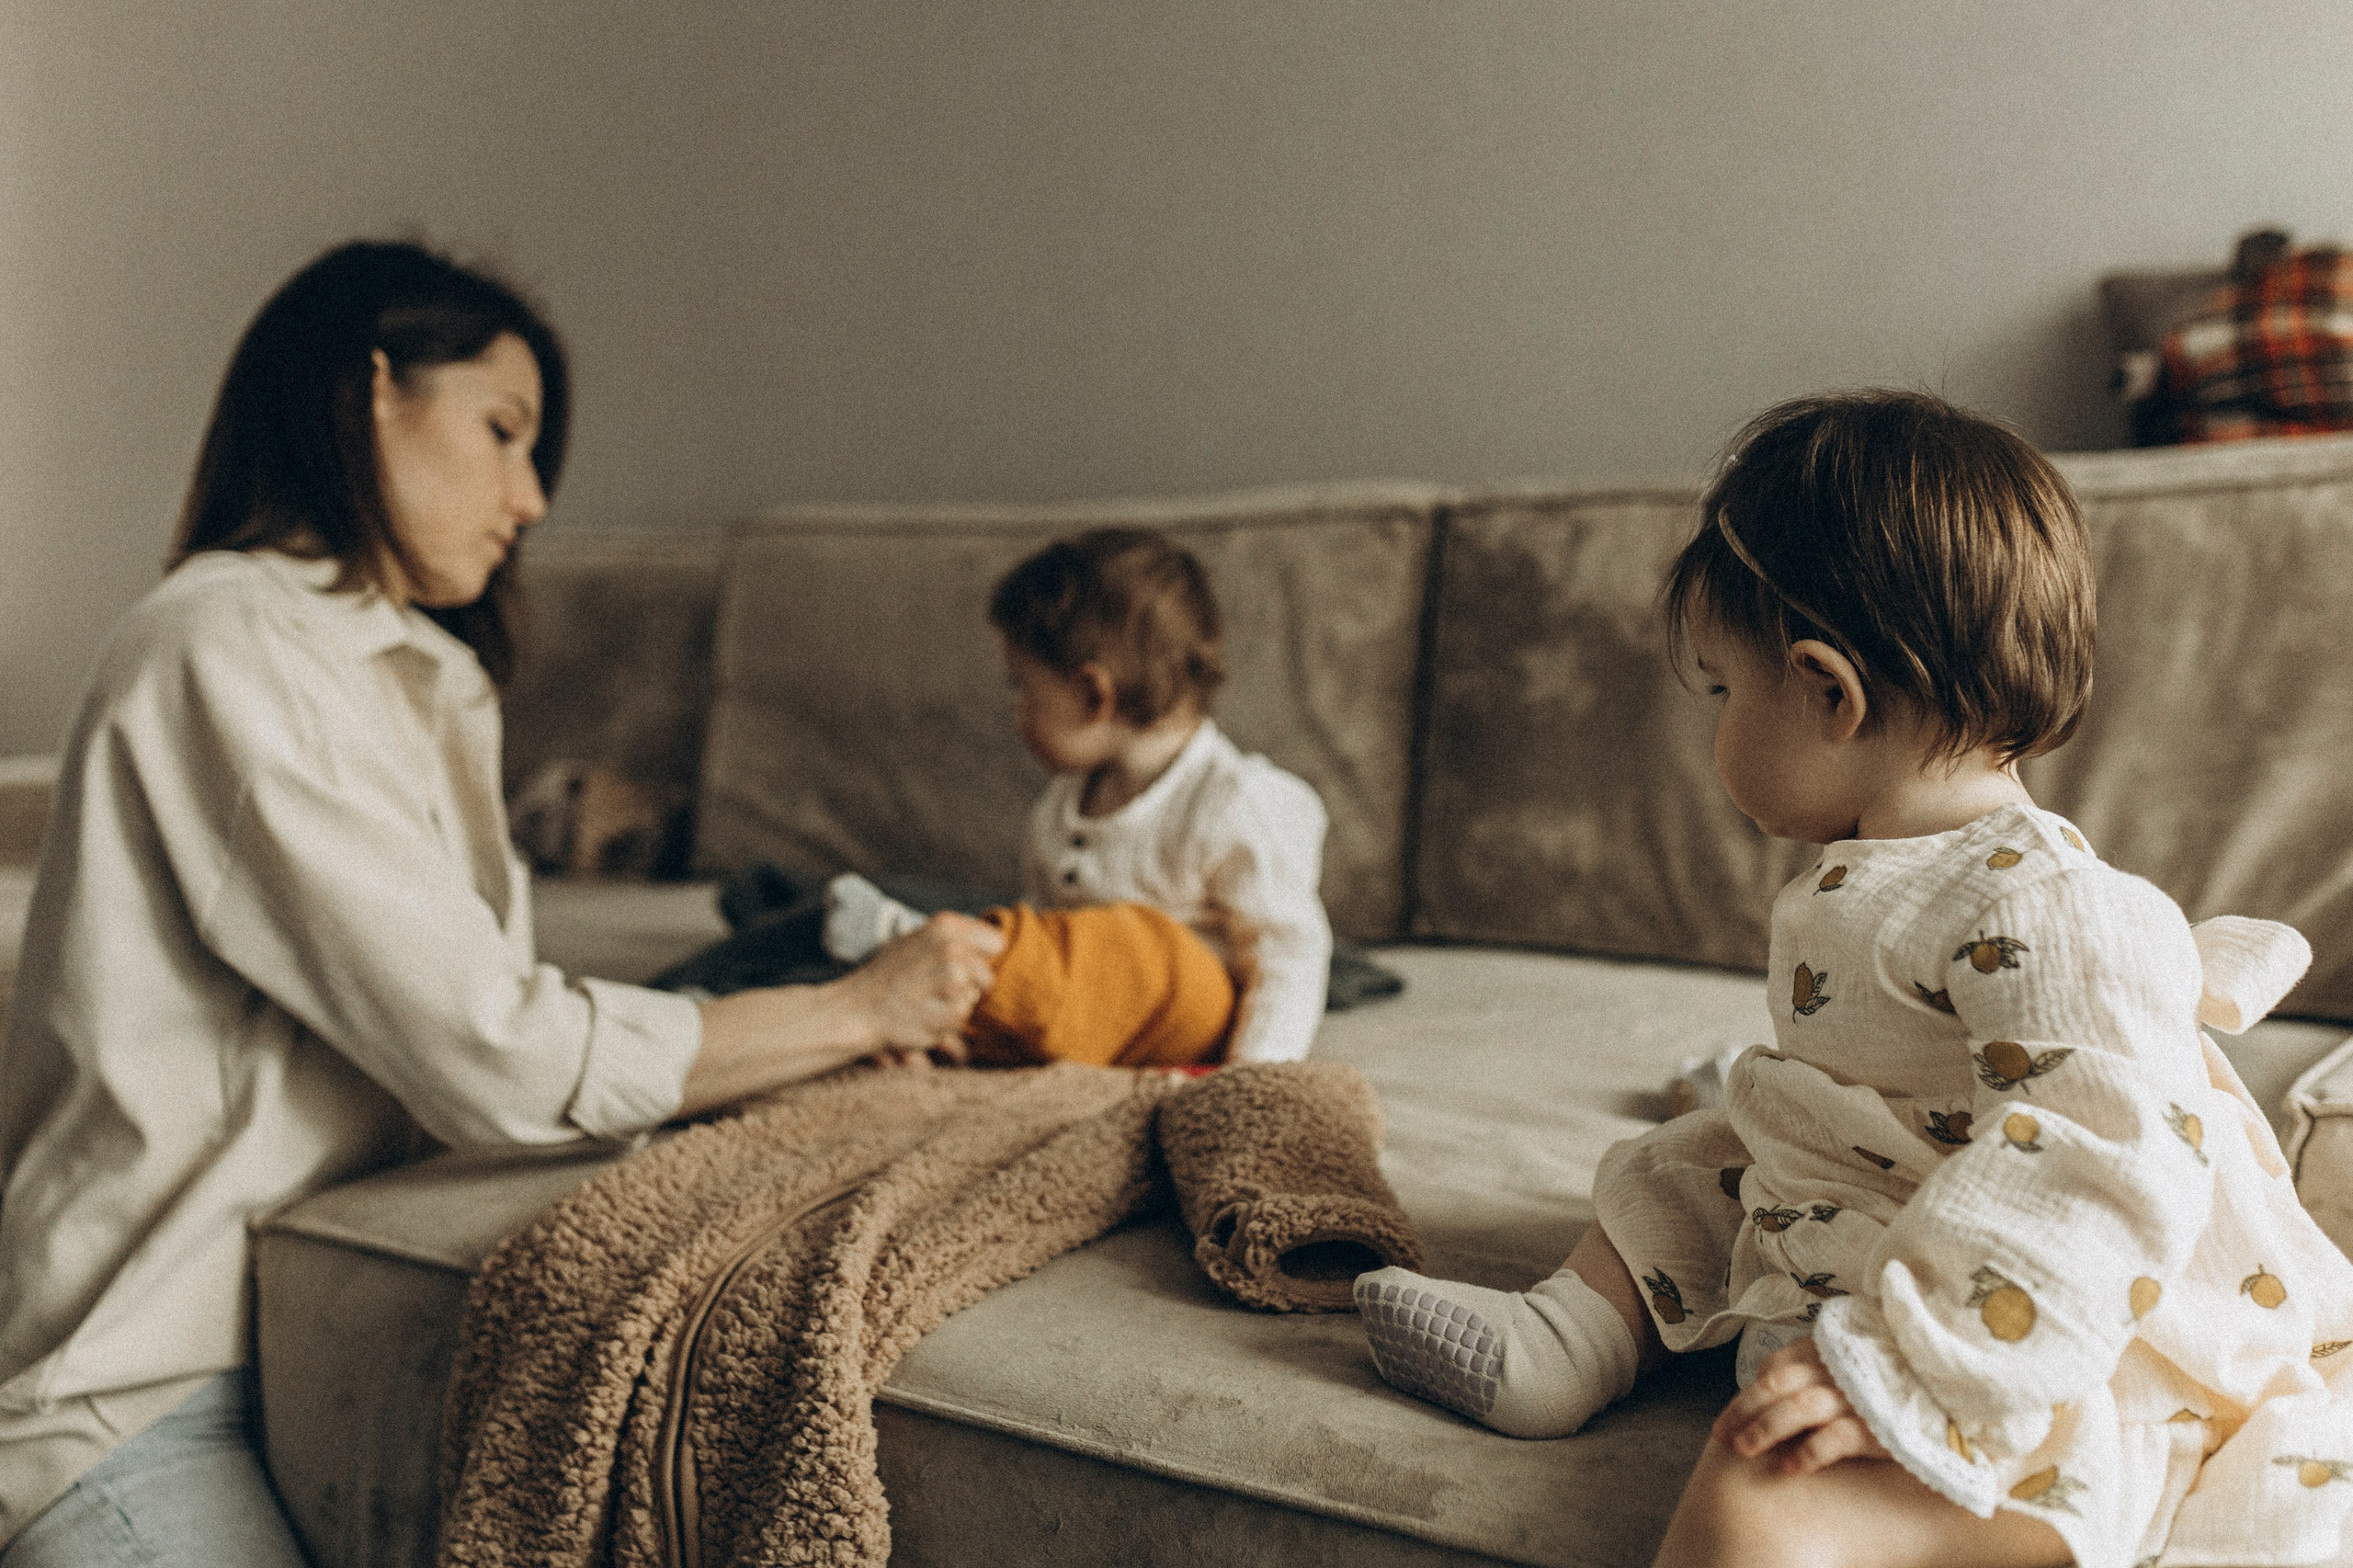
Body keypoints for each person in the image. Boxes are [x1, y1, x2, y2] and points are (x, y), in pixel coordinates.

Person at [0, 240, 1003, 1565]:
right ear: (370, 392)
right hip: (133, 1388)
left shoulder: (410, 672)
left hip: (281, 1353)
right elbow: (491, 1049)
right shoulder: (224, 642)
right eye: (504, 431)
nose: (530, 498)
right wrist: (845, 1006)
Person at [1353, 392, 2353, 1568]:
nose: (1715, 723)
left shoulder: (2051, 903)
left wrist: (1903, 1372)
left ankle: (1851, 1432)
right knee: (1712, 1144)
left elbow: (2104, 1155)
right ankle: (1566, 1334)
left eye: (1724, 690)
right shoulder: (1898, 866)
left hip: (2042, 1307)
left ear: (1829, 693)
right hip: (1888, 1176)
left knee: (1759, 1483)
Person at [814, 527, 1336, 1068]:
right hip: (1085, 1024)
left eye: (1022, 686)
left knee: (1151, 952)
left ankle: (927, 941)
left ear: (1092, 695)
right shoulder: (1064, 804)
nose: (1016, 708)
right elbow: (1048, 941)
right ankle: (939, 1020)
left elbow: (1287, 951)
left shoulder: (1235, 801)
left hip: (1186, 1015)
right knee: (1040, 960)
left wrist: (1256, 1074)